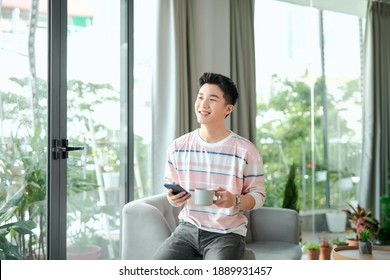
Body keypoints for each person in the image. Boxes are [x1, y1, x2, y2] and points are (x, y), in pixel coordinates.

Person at [152, 72, 265, 260]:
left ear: (228, 109)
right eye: (200, 97)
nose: (203, 104)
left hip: (227, 233)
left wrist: (235, 200)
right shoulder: (177, 147)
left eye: (212, 99)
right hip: (187, 230)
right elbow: (171, 190)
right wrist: (173, 199)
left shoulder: (246, 150)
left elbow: (258, 197)